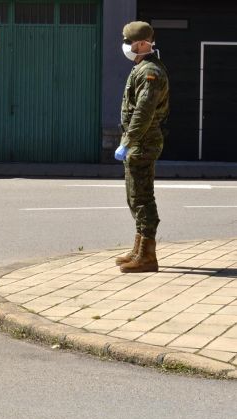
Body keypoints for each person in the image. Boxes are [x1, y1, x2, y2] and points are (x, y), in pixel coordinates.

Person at [114, 21, 170, 273]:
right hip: (138, 141)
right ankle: (138, 248)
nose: (125, 46)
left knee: (142, 197)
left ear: (141, 43)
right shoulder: (141, 67)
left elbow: (143, 113)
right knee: (133, 196)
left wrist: (127, 142)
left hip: (143, 141)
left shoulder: (151, 73)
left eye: (128, 41)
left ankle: (148, 255)